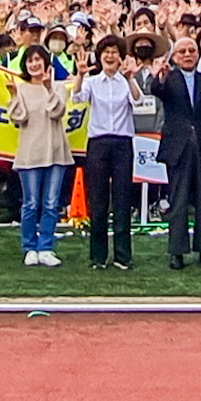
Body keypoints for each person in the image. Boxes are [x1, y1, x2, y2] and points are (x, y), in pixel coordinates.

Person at [144, 34, 201, 269]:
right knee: (178, 201)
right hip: (178, 148)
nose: (188, 55)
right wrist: (157, 76)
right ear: (174, 57)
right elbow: (154, 90)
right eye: (182, 51)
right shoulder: (168, 78)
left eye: (191, 50)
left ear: (198, 53)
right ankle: (177, 252)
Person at [0, 44, 72, 266]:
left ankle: (46, 247)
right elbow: (18, 118)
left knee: (51, 203)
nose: (34, 64)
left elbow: (57, 112)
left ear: (46, 63)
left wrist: (49, 88)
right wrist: (13, 94)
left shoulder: (58, 87)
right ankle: (29, 247)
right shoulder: (20, 88)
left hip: (56, 151)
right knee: (30, 203)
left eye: (39, 60)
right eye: (30, 60)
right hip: (30, 153)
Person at [73, 34, 142, 269]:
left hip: (123, 143)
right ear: (99, 56)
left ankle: (123, 256)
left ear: (121, 57)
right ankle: (98, 257)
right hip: (99, 144)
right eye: (106, 52)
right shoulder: (92, 82)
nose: (110, 56)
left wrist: (131, 78)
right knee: (98, 201)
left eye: (114, 52)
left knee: (122, 199)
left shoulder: (125, 81)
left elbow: (138, 101)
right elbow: (77, 97)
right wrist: (81, 74)